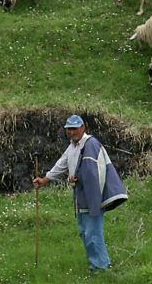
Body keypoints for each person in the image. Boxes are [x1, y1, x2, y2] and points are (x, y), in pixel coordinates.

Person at [33, 114, 128, 273]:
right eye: (68, 129)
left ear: (83, 128)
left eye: (74, 128)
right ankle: (98, 263)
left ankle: (101, 266)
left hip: (92, 195)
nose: (71, 132)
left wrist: (79, 177)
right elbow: (62, 163)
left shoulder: (90, 144)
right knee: (85, 232)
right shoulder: (73, 146)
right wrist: (45, 179)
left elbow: (93, 172)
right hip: (81, 195)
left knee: (93, 233)